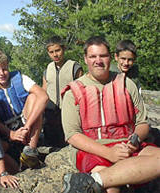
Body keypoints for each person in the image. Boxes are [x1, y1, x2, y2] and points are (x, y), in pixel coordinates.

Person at [61, 36, 160, 193]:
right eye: (93, 56)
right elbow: (72, 135)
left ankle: (90, 181)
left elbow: (142, 123)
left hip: (126, 144)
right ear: (86, 59)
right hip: (93, 149)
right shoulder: (73, 92)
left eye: (103, 56)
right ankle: (101, 180)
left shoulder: (127, 83)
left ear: (111, 57)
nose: (98, 60)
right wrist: (109, 153)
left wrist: (135, 140)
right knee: (111, 189)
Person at [0, 50, 48, 172]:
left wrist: (27, 127)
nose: (2, 73)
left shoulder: (22, 79)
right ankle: (14, 168)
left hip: (26, 123)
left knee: (34, 97)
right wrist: (11, 134)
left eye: (4, 69)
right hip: (7, 130)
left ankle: (30, 150)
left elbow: (44, 97)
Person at [42, 36, 83, 147]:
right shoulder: (48, 69)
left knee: (68, 142)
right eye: (51, 52)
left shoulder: (74, 67)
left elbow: (82, 91)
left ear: (63, 49)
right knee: (49, 144)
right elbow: (43, 91)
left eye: (57, 50)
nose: (55, 54)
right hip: (50, 112)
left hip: (68, 110)